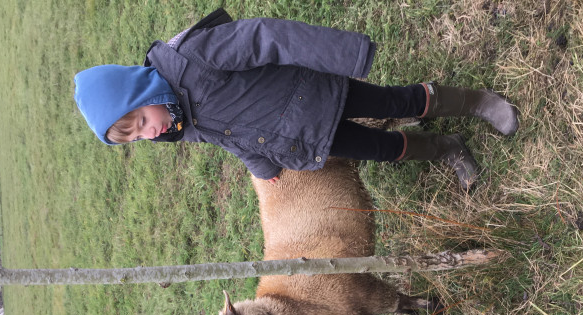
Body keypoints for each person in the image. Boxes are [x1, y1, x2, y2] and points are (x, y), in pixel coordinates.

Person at [74, 9, 518, 191]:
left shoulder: (194, 58)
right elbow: (228, 137)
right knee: (380, 150)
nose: (149, 133)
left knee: (394, 104)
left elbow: (267, 37)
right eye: (136, 138)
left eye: (139, 121)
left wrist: (345, 54)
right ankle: (447, 148)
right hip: (301, 139)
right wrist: (262, 167)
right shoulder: (179, 125)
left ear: (141, 92)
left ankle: (478, 102)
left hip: (318, 94)